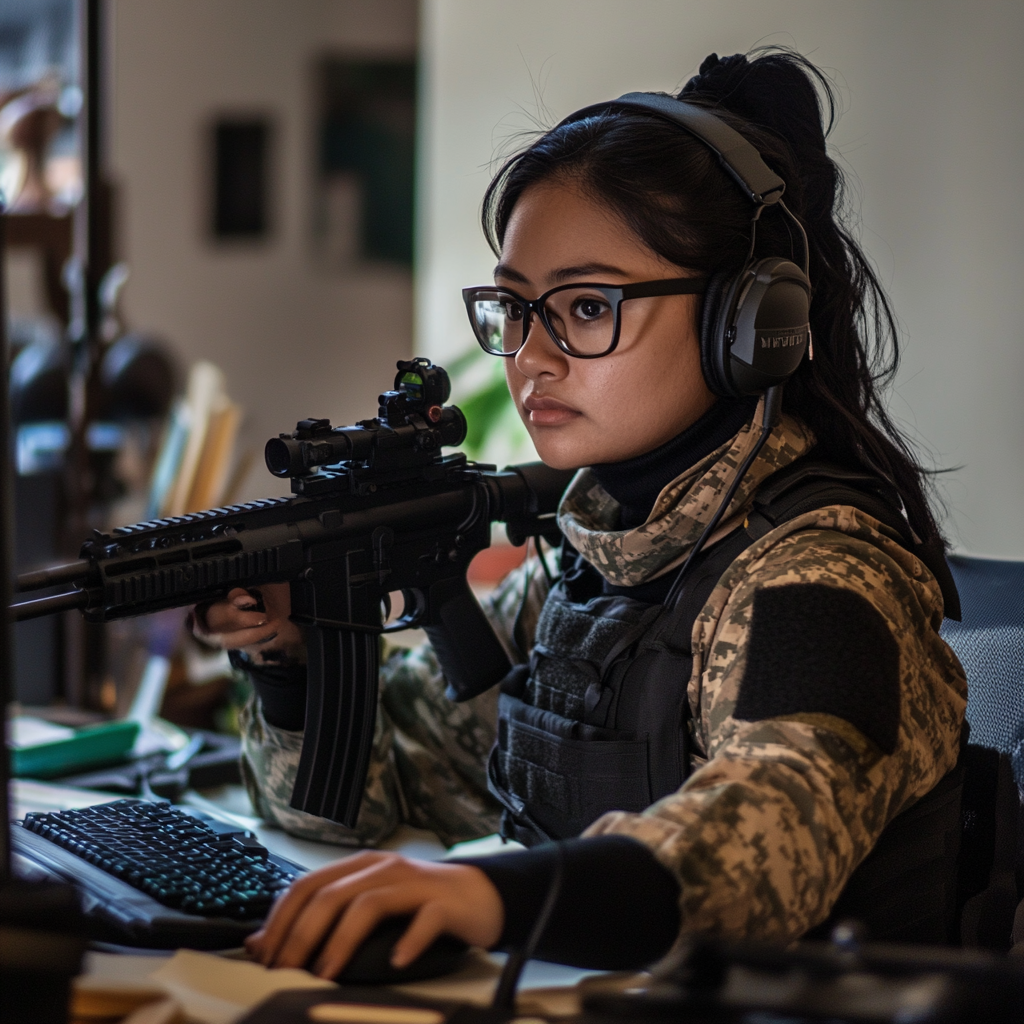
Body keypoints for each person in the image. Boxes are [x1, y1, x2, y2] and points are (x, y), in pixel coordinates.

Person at [192, 50, 966, 977]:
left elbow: (768, 837)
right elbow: (384, 795)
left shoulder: (826, 575)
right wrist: (286, 657)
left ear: (746, 325)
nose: (530, 357)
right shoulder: (595, 555)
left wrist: (485, 898)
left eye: (588, 306)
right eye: (514, 309)